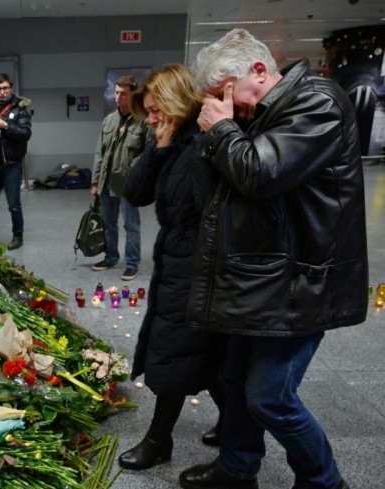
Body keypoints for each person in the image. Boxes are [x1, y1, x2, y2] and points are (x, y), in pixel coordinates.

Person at [179, 28, 367, 489]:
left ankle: (324, 480)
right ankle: (237, 469)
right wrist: (223, 129)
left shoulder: (317, 101)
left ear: (259, 71)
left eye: (227, 94)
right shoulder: (266, 111)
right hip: (265, 274)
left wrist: (223, 128)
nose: (227, 107)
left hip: (303, 279)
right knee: (239, 381)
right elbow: (223, 190)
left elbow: (260, 173)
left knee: (270, 397)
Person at [118, 64, 223, 471]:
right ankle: (233, 423)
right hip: (176, 260)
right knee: (203, 354)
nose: (154, 118)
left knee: (174, 351)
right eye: (149, 111)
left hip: (196, 267)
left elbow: (214, 215)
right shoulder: (174, 141)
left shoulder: (203, 145)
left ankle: (159, 441)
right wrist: (158, 148)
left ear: (179, 99)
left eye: (158, 109)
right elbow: (135, 192)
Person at [91, 75, 153, 281]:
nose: (118, 97)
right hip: (107, 181)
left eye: (123, 94)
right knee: (109, 222)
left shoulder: (143, 120)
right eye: (116, 93)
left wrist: (131, 170)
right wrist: (95, 180)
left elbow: (148, 152)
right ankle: (110, 257)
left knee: (131, 224)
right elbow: (99, 152)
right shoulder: (109, 119)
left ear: (132, 95)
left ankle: (132, 263)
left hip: (128, 183)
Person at [0, 73, 32, 250]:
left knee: (13, 204)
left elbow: (25, 134)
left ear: (11, 88)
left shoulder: (20, 108)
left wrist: (6, 126)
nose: (2, 92)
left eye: (5, 88)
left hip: (12, 164)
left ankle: (18, 236)